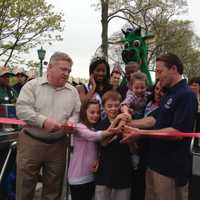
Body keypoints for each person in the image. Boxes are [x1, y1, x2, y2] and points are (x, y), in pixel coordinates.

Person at [121, 53, 198, 200]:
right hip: (154, 164)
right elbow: (153, 119)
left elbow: (177, 132)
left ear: (173, 69)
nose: (156, 76)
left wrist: (141, 133)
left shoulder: (186, 95)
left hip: (170, 170)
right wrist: (126, 122)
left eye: (159, 71)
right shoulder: (169, 93)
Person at [16, 52, 81, 200]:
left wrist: (72, 122)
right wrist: (43, 122)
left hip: (58, 145)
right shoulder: (32, 86)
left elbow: (76, 113)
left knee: (53, 189)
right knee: (25, 187)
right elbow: (22, 110)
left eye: (69, 70)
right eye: (63, 69)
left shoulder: (72, 92)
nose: (67, 73)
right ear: (50, 67)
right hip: (31, 143)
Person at [65, 99, 119, 200]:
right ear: (84, 112)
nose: (96, 115)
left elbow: (98, 148)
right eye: (92, 112)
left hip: (92, 176)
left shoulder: (94, 128)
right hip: (78, 177)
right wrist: (114, 127)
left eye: (98, 112)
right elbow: (93, 136)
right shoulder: (79, 127)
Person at [95, 90, 132, 200]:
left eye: (116, 105)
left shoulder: (129, 123)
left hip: (123, 170)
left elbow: (134, 149)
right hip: (104, 171)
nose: (113, 108)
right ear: (104, 107)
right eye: (109, 106)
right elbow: (103, 143)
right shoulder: (100, 124)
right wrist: (117, 120)